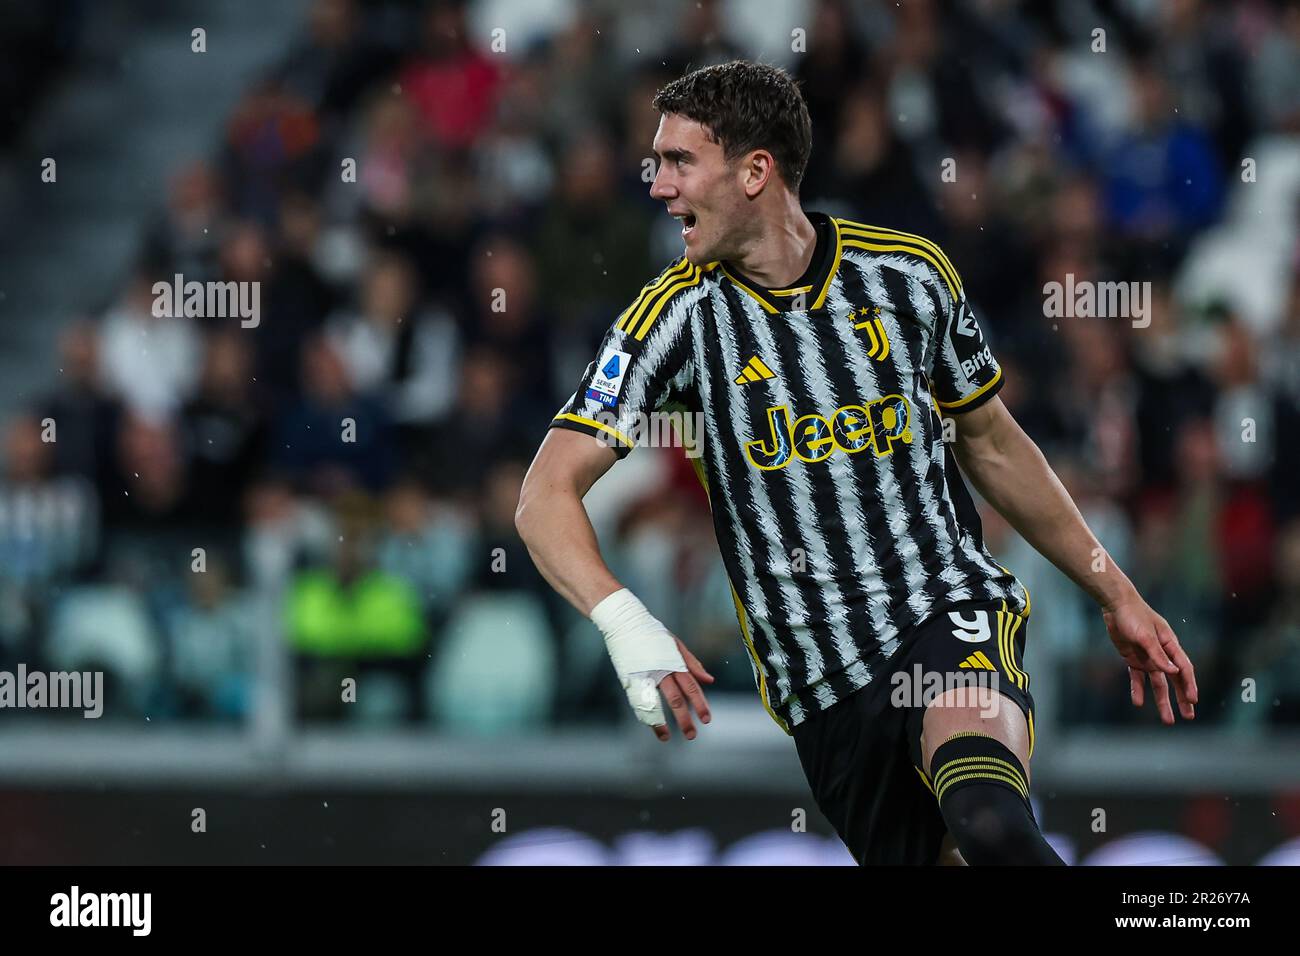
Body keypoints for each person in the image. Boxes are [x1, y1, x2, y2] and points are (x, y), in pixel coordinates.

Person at [515, 61, 1198, 866]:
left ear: (755, 172)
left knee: (991, 824)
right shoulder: (672, 319)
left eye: (679, 162)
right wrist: (624, 620)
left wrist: (1114, 591)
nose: (658, 186)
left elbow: (990, 442)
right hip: (824, 687)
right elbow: (544, 494)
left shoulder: (908, 277)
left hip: (946, 613)